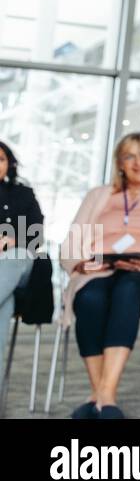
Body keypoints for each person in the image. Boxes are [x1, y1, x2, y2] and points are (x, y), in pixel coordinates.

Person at [59, 132, 140, 419]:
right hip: (97, 269)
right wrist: (80, 264)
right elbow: (71, 241)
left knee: (127, 291)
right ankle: (103, 397)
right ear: (119, 162)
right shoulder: (98, 196)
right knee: (90, 298)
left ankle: (102, 396)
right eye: (129, 156)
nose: (138, 162)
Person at [0, 140, 43, 385]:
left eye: (1, 158)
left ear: (9, 163)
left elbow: (36, 235)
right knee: (3, 307)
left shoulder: (23, 194)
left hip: (19, 261)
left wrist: (10, 240)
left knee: (13, 258)